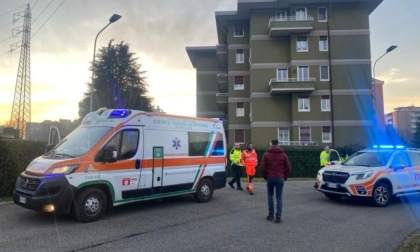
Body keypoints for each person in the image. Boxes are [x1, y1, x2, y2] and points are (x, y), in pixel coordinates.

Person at [260, 139, 291, 224]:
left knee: (270, 196)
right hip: (280, 178)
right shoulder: (283, 155)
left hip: (270, 177)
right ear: (278, 144)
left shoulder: (266, 154)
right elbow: (288, 168)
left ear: (271, 144)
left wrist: (265, 177)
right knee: (279, 197)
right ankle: (278, 216)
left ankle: (270, 214)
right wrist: (285, 177)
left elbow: (262, 168)